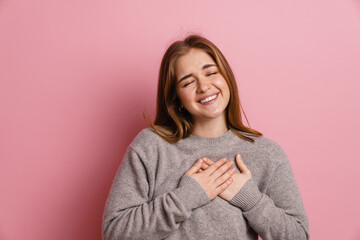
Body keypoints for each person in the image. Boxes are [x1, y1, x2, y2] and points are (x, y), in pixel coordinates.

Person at [102, 34, 309, 240]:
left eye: (211, 73)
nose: (203, 86)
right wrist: (186, 197)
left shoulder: (267, 153)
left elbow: (298, 235)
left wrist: (251, 200)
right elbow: (114, 232)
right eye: (188, 82)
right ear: (177, 98)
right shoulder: (151, 147)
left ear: (226, 77)